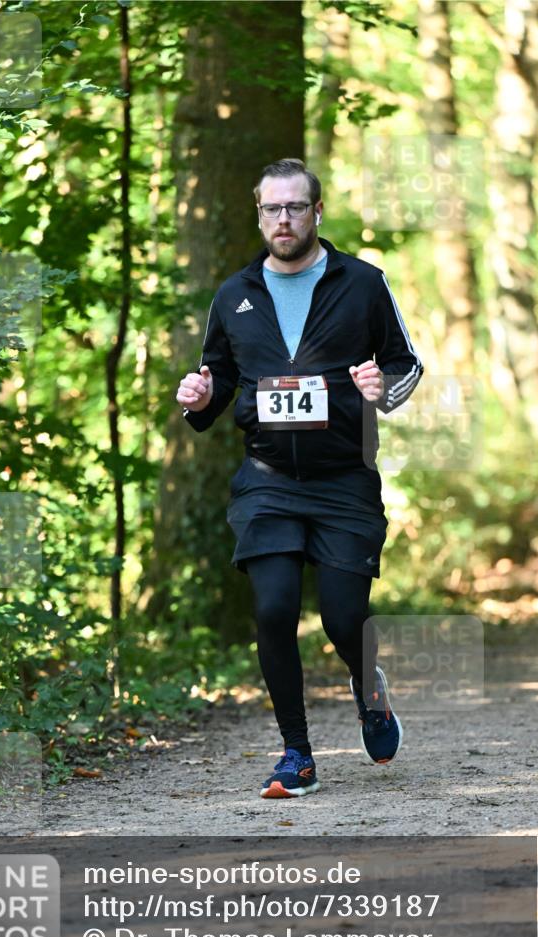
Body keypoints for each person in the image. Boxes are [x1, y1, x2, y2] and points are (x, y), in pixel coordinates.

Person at [176, 158, 424, 799]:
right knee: (275, 606)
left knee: (345, 620)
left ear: (317, 212)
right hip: (266, 480)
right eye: (270, 209)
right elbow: (220, 378)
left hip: (344, 480)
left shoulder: (362, 283)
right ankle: (297, 753)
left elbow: (405, 364)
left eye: (294, 208)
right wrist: (201, 397)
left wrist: (382, 385)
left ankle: (368, 686)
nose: (282, 220)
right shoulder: (234, 293)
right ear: (258, 214)